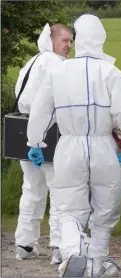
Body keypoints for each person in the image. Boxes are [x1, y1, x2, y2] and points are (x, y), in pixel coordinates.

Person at [27, 14, 121, 277]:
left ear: (78, 40)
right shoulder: (113, 73)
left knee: (68, 205)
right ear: (101, 38)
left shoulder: (59, 71)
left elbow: (40, 111)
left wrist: (35, 142)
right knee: (106, 205)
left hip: (69, 147)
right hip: (104, 148)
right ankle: (95, 262)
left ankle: (74, 252)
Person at [14, 23, 73, 263]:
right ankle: (59, 247)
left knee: (31, 189)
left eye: (71, 41)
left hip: (22, 134)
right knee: (59, 191)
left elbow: (22, 100)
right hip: (49, 135)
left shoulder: (32, 61)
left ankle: (24, 244)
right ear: (51, 40)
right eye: (65, 40)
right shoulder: (56, 64)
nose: (68, 46)